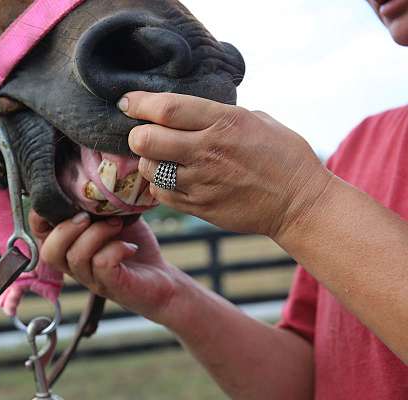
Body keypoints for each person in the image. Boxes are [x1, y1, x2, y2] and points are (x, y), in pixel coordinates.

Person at [29, 1, 408, 398]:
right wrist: (172, 295)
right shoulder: (364, 146)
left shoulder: (329, 177)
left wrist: (300, 205)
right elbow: (311, 383)